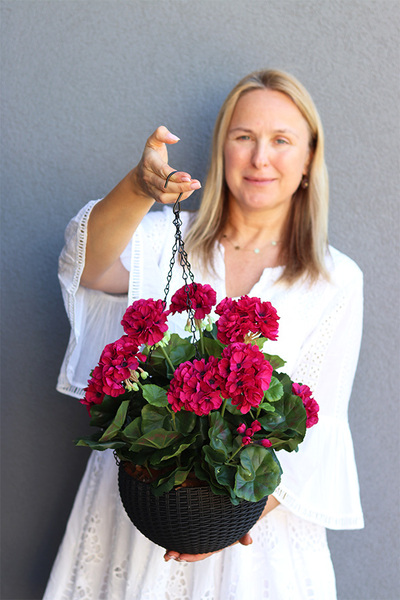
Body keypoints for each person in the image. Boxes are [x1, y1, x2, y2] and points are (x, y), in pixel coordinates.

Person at [44, 69, 364, 600]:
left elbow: (320, 426)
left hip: (256, 546)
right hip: (138, 515)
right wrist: (139, 189)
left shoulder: (334, 280)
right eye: (244, 137)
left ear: (309, 159)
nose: (261, 157)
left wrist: (227, 520)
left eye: (281, 140)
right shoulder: (164, 240)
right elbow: (88, 269)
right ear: (222, 151)